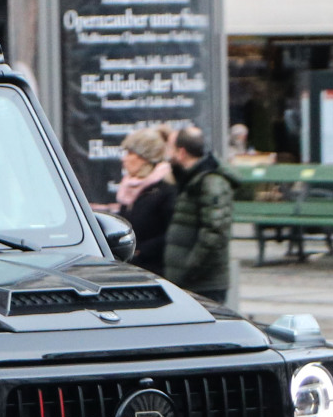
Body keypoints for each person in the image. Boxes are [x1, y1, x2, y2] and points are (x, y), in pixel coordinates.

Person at [162, 123, 237, 306]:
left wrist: (189, 269)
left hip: (204, 284)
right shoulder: (189, 179)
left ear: (181, 152)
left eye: (170, 148)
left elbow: (214, 232)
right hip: (188, 281)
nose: (167, 154)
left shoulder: (210, 183)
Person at [97, 125, 174, 279]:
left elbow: (172, 234)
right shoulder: (129, 186)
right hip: (132, 268)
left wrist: (141, 250)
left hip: (157, 273)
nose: (123, 158)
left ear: (146, 158)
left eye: (130, 153)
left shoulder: (167, 188)